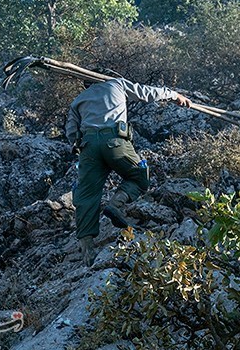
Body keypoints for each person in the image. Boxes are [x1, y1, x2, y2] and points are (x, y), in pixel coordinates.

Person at [66, 73, 191, 266]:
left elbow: (72, 132)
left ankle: (87, 250)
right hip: (115, 142)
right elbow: (147, 92)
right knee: (139, 176)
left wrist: (84, 149)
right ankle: (116, 205)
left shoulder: (78, 100)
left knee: (86, 196)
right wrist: (174, 95)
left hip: (88, 147)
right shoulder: (117, 84)